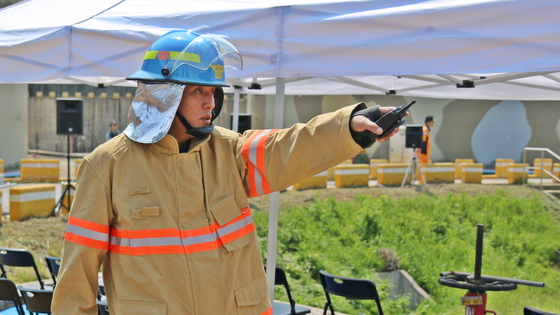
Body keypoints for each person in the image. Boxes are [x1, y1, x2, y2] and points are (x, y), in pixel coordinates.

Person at [51, 30, 405, 315]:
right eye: (198, 91)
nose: (210, 102)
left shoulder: (229, 150)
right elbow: (77, 276)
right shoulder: (106, 166)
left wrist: (348, 129)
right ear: (163, 95)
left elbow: (289, 148)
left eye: (213, 92)